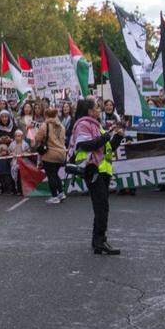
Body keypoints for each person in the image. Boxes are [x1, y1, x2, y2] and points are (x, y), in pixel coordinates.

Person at [69, 97, 124, 255]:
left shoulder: (96, 125)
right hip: (93, 170)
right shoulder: (83, 124)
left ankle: (97, 241)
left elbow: (107, 148)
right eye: (97, 107)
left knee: (101, 206)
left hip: (103, 171)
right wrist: (105, 137)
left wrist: (118, 136)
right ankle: (101, 241)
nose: (100, 109)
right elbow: (84, 145)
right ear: (89, 110)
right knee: (101, 207)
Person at [37, 107, 68, 204]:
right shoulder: (62, 126)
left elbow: (38, 137)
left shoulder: (45, 125)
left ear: (46, 115)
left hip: (50, 154)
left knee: (51, 176)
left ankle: (54, 196)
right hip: (61, 153)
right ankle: (61, 193)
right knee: (55, 174)